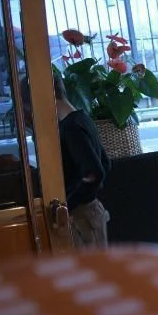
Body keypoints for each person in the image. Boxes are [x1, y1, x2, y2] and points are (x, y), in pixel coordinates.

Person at [51, 72, 110, 249]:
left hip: (82, 218)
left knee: (94, 267)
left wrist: (67, 203)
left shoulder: (71, 128)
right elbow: (105, 163)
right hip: (92, 213)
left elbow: (95, 172)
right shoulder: (82, 118)